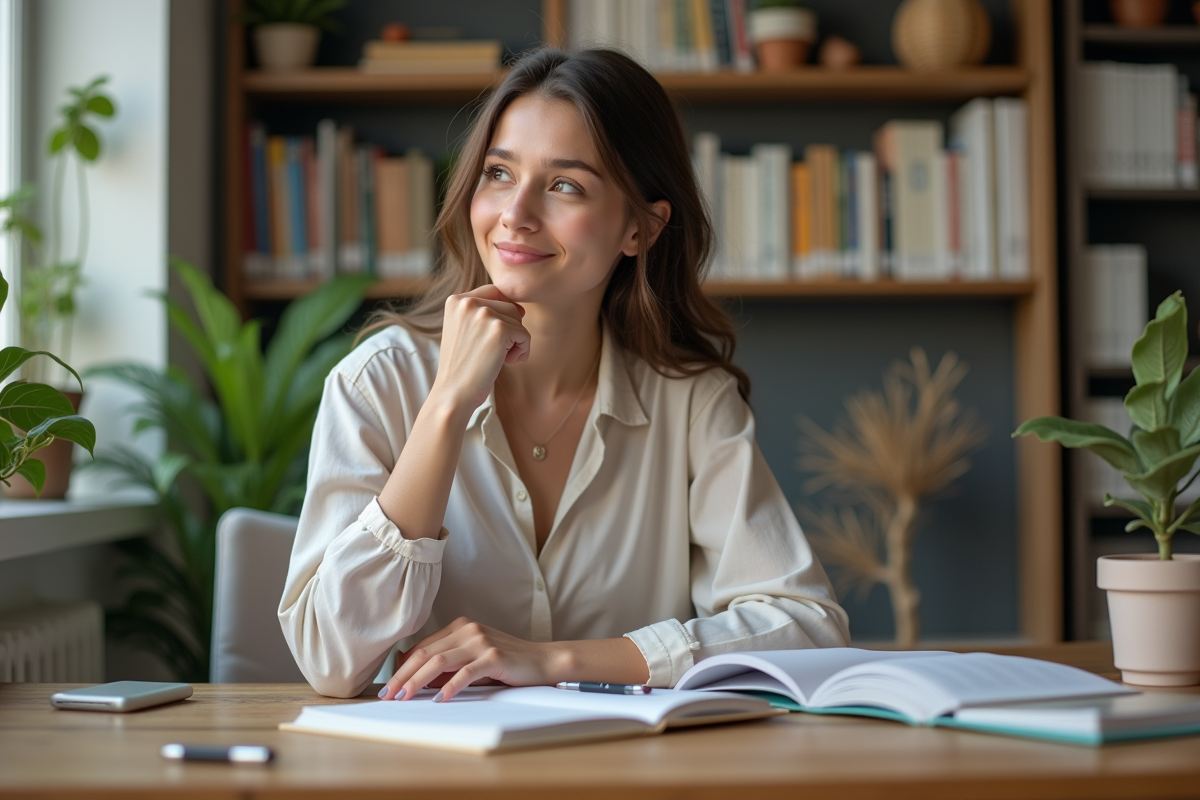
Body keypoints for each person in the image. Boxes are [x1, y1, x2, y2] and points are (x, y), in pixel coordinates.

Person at [278, 47, 849, 700]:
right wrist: (445, 407)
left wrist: (553, 660)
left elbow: (808, 626)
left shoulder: (690, 401)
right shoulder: (377, 384)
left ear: (640, 228)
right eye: (498, 173)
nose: (515, 214)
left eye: (564, 185)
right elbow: (330, 659)